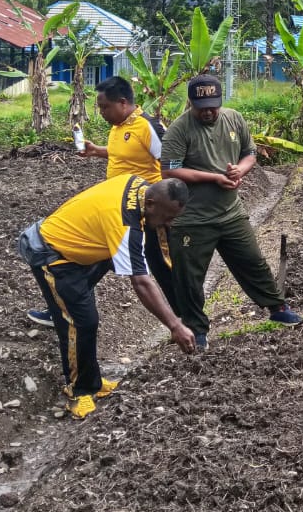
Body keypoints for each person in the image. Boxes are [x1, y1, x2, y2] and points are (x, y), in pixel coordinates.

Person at [16, 175, 196, 420]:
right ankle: (79, 391)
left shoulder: (141, 188)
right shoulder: (125, 222)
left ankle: (93, 379)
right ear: (151, 204)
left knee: (82, 312)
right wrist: (174, 326)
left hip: (81, 245)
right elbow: (141, 282)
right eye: (167, 217)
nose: (170, 223)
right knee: (80, 322)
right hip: (51, 253)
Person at [160, 74, 303, 349]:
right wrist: (213, 177)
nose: (209, 111)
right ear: (191, 103)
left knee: (252, 261)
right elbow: (168, 170)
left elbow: (250, 153)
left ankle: (276, 307)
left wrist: (241, 169)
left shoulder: (234, 119)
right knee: (189, 277)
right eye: (202, 107)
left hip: (230, 212)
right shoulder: (180, 130)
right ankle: (196, 329)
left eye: (213, 105)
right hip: (192, 218)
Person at [27, 75, 176, 328]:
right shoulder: (118, 127)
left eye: (104, 106)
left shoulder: (147, 126)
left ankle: (187, 317)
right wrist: (97, 151)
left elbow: (170, 164)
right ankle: (63, 308)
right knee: (96, 261)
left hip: (147, 210)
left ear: (122, 102)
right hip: (116, 210)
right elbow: (125, 155)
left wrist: (164, 205)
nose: (101, 112)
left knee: (162, 265)